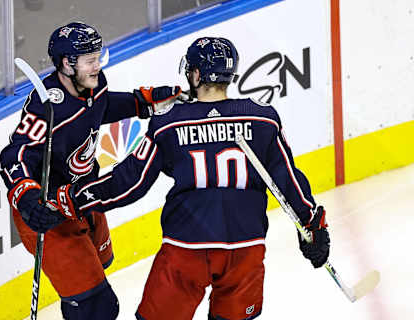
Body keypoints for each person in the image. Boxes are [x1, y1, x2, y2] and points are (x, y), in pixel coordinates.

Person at [55, 37, 330, 320]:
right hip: (245, 247)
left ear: (196, 74)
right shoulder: (263, 120)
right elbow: (289, 180)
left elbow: (130, 184)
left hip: (186, 249)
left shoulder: (169, 123)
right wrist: (312, 223)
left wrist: (72, 199)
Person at [0, 21, 182, 320]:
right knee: (96, 308)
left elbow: (102, 106)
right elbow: (13, 155)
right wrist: (28, 198)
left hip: (83, 198)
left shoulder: (94, 84)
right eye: (89, 60)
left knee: (100, 270)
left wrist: (144, 102)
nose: (97, 65)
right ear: (66, 64)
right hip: (49, 212)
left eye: (98, 56)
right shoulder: (46, 106)